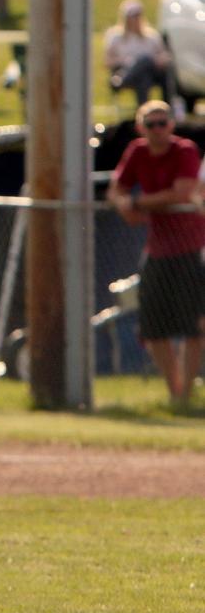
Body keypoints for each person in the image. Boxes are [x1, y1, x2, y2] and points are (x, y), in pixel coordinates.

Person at [107, 100, 205, 404]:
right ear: (140, 128)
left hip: (191, 247)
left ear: (172, 125)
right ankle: (175, 392)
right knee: (152, 326)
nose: (158, 129)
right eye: (151, 124)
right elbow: (115, 189)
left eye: (163, 123)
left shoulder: (185, 150)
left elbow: (182, 192)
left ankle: (186, 394)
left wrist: (137, 203)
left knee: (194, 326)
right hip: (158, 249)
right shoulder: (137, 151)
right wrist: (123, 203)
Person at [104, 0, 172, 108]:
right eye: (132, 16)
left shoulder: (151, 36)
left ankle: (124, 79)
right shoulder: (115, 37)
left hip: (150, 71)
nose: (136, 19)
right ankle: (143, 112)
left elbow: (165, 56)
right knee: (143, 78)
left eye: (138, 15)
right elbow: (108, 61)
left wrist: (154, 60)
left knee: (145, 60)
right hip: (127, 70)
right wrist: (127, 61)